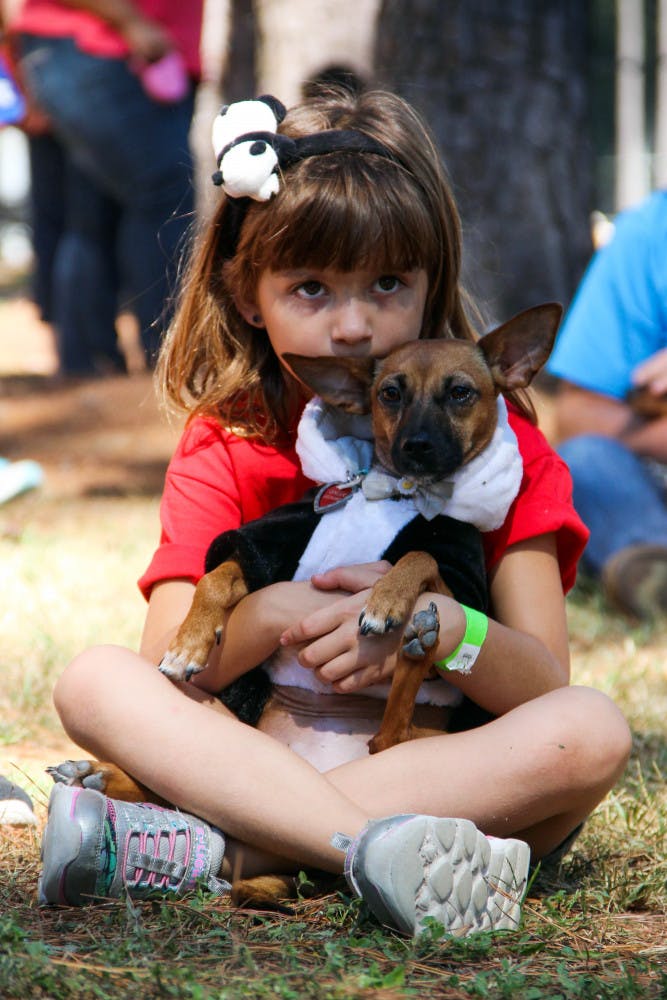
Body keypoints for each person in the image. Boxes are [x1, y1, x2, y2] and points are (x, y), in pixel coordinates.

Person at [37, 88, 631, 938]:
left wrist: (439, 623)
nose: (352, 324)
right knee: (95, 682)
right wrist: (276, 610)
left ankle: (225, 845)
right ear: (248, 295)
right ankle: (366, 850)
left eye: (387, 283)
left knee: (590, 730)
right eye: (311, 287)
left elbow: (541, 684)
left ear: (432, 286)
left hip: (420, 761)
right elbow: (170, 668)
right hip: (261, 746)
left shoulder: (504, 456)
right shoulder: (229, 444)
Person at [9, 0, 203, 371]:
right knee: (164, 196)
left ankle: (89, 360)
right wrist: (130, 22)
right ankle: (169, 356)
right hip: (102, 48)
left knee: (92, 212)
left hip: (103, 52)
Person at [547, 190, 667, 620]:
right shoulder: (649, 234)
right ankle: (651, 566)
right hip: (654, 483)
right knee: (582, 462)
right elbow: (578, 416)